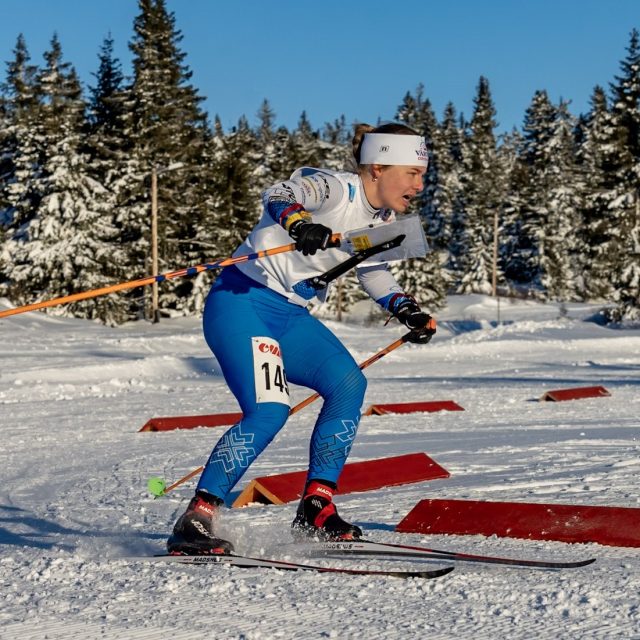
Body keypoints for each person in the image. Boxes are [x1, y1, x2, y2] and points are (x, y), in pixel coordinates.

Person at [167, 122, 437, 555]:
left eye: (421, 175)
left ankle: (316, 509)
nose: (419, 185)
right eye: (412, 173)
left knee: (348, 384)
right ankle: (197, 517)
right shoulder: (336, 189)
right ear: (378, 167)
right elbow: (278, 193)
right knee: (271, 409)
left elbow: (371, 267)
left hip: (290, 315)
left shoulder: (384, 218)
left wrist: (404, 307)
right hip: (243, 302)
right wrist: (298, 223)